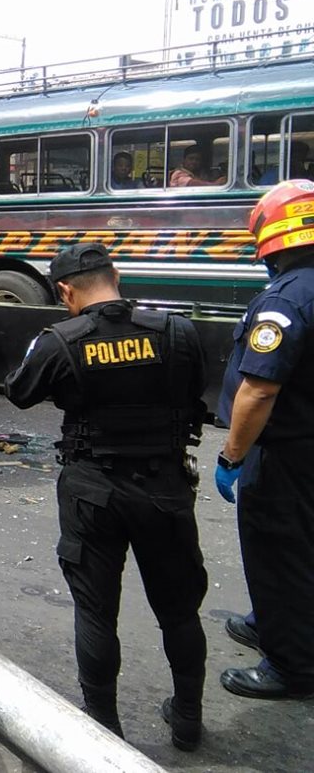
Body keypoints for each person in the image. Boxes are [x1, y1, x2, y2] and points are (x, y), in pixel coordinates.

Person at [5, 242, 209, 749]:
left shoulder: (61, 339)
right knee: (180, 610)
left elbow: (19, 391)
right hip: (165, 488)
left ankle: (102, 728)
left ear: (65, 291)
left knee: (96, 612)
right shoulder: (176, 331)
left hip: (93, 492)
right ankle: (187, 718)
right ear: (115, 275)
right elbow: (195, 393)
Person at [214, 178, 314, 701]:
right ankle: (271, 623)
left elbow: (259, 390)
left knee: (278, 552)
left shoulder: (286, 300)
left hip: (283, 454)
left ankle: (291, 666)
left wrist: (233, 454)